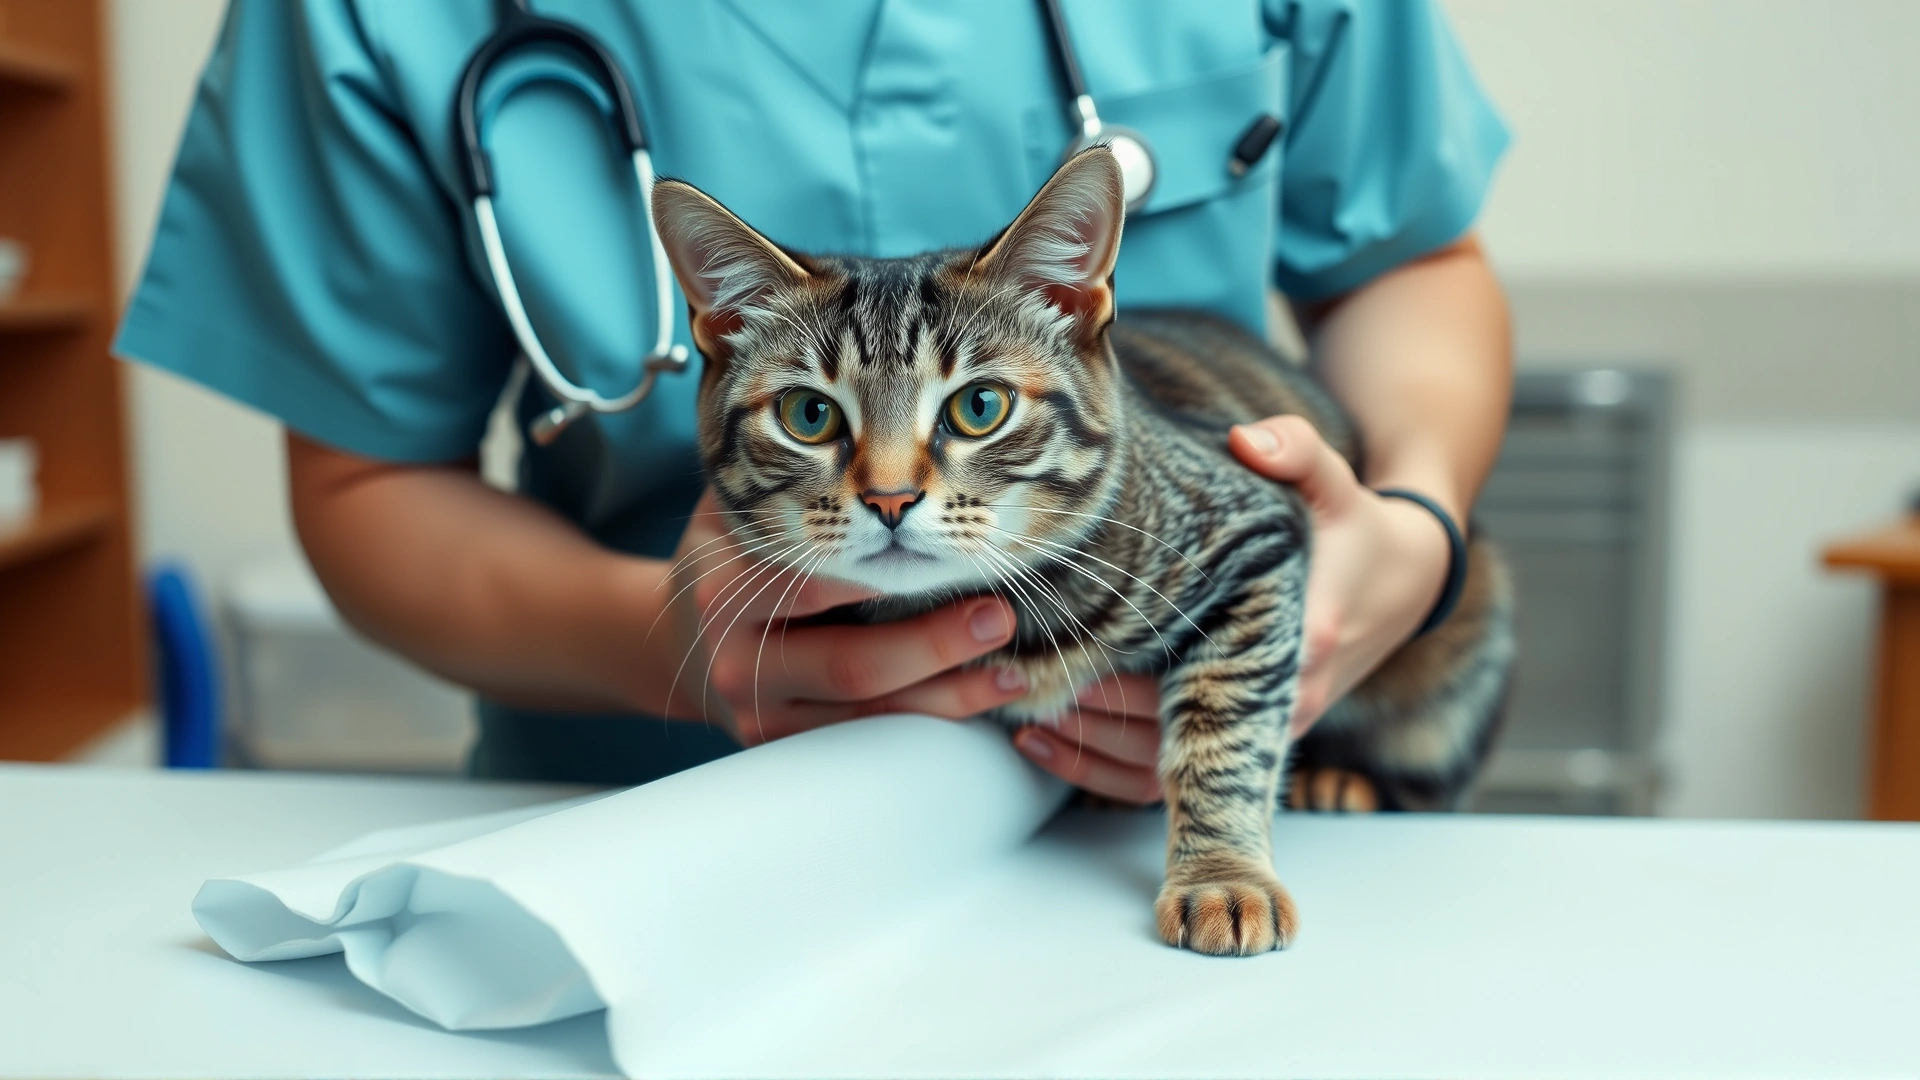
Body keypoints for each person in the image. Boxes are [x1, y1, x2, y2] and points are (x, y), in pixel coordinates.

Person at [117, 0, 1512, 798]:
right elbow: (367, 481)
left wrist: (1413, 530)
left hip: (1185, 819)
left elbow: (1414, 255)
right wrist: (662, 641)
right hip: (658, 799)